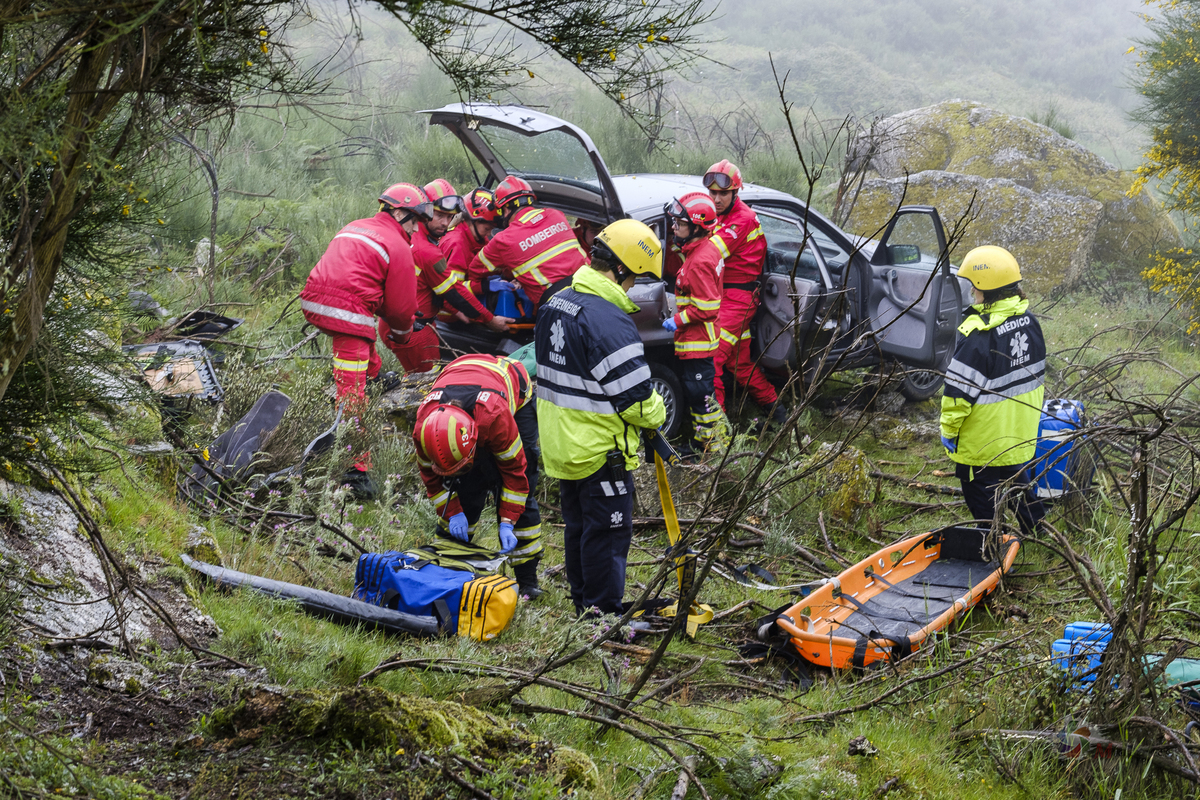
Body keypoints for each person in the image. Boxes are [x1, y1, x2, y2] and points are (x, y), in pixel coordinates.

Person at [535, 219, 667, 617]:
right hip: (599, 450)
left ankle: (582, 606)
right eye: (635, 279)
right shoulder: (608, 320)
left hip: (564, 447)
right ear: (623, 267)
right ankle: (602, 615)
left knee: (578, 528)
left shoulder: (557, 300)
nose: (632, 289)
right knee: (608, 533)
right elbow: (638, 402)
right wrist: (659, 413)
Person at [300, 182, 420, 497]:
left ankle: (374, 374)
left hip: (315, 300)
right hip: (346, 313)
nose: (416, 228)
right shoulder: (398, 245)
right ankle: (356, 471)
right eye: (414, 221)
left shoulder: (357, 226)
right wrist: (403, 334)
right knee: (352, 397)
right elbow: (400, 309)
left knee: (361, 329)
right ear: (399, 212)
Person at [413, 353, 544, 598]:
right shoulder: (423, 429)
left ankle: (528, 580)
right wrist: (453, 512)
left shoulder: (494, 418)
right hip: (463, 375)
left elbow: (515, 474)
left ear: (474, 441)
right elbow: (432, 480)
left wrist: (507, 522)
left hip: (512, 390)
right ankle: (451, 566)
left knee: (520, 494)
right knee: (464, 488)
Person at [941, 245, 1046, 536]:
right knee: (1014, 480)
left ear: (985, 289)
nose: (972, 293)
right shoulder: (1031, 323)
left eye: (974, 287)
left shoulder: (979, 337)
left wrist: (949, 431)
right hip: (1018, 432)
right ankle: (1038, 530)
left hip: (983, 441)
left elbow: (957, 394)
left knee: (979, 493)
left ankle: (993, 543)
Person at [382, 179, 510, 374]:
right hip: (413, 330)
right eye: (439, 215)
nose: (445, 223)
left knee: (426, 377)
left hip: (410, 324)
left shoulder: (416, 237)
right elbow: (454, 292)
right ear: (424, 210)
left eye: (450, 217)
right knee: (427, 384)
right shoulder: (428, 251)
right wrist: (490, 320)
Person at [704, 159, 787, 429]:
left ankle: (717, 432)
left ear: (735, 192)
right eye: (712, 193)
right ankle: (778, 412)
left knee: (713, 361)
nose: (716, 199)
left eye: (722, 194)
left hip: (737, 300)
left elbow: (710, 253)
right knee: (740, 365)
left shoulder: (742, 219)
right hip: (724, 297)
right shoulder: (722, 215)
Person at [662, 192, 726, 456]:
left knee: (701, 398)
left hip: (698, 342)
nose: (675, 227)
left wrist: (676, 320)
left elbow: (707, 306)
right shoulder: (702, 249)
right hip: (698, 341)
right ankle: (705, 442)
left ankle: (707, 448)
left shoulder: (699, 261)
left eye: (680, 223)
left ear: (697, 227)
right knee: (700, 395)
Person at [468, 175, 589, 307]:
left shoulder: (504, 240)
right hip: (590, 287)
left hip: (558, 307)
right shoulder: (556, 214)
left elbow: (475, 270)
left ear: (506, 209)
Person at [438, 187, 500, 325]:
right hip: (450, 316)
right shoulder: (457, 244)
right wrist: (484, 286)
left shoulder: (478, 239)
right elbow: (451, 291)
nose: (489, 234)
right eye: (487, 229)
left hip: (467, 308)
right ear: (473, 221)